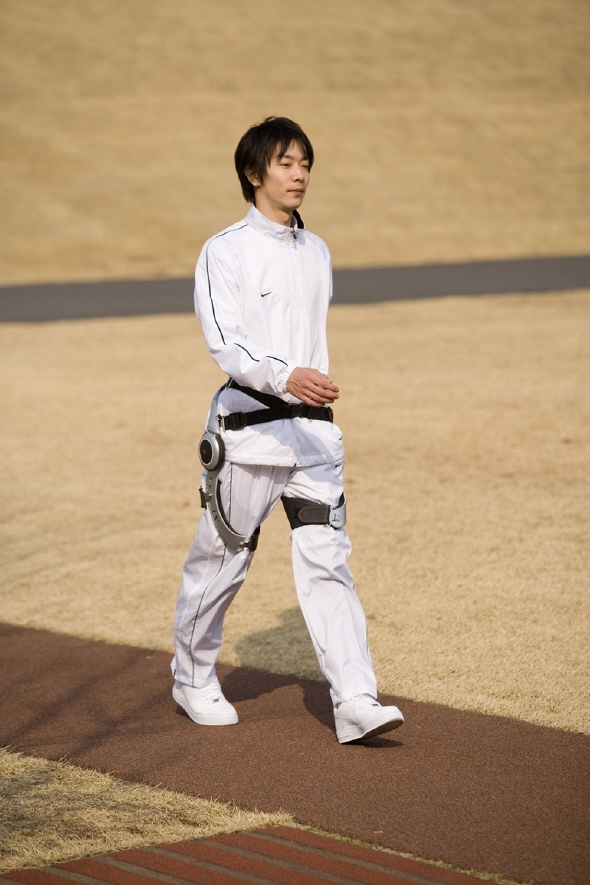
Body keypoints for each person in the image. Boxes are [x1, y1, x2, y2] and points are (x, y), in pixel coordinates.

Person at [171, 116, 404, 743]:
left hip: (315, 438)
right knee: (222, 560)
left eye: (304, 163)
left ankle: (354, 700)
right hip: (248, 433)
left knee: (330, 565)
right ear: (254, 173)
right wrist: (286, 376)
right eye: (285, 163)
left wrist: (307, 387)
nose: (298, 174)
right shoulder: (224, 249)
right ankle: (191, 678)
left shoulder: (317, 250)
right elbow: (226, 343)